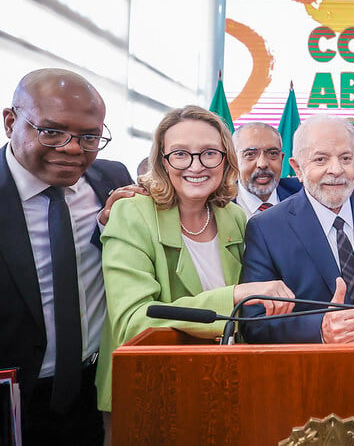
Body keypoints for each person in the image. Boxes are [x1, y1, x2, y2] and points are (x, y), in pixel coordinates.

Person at [96, 106, 295, 429]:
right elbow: (134, 322)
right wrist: (236, 296)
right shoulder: (132, 214)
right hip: (149, 393)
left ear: (226, 159)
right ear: (162, 160)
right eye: (180, 154)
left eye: (209, 154)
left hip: (223, 389)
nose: (196, 166)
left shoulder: (235, 217)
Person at [0, 68, 134, 444]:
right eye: (52, 131)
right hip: (14, 402)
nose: (74, 148)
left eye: (90, 136)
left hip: (96, 391)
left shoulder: (112, 180)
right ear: (11, 122)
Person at [240, 114, 354, 344]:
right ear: (297, 168)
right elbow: (254, 321)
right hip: (312, 370)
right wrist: (319, 329)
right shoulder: (266, 228)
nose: (336, 169)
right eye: (321, 159)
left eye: (345, 158)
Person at [231, 122, 301, 218]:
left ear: (281, 159)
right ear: (233, 160)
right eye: (250, 154)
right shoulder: (218, 205)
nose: (262, 164)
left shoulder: (301, 192)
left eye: (272, 153)